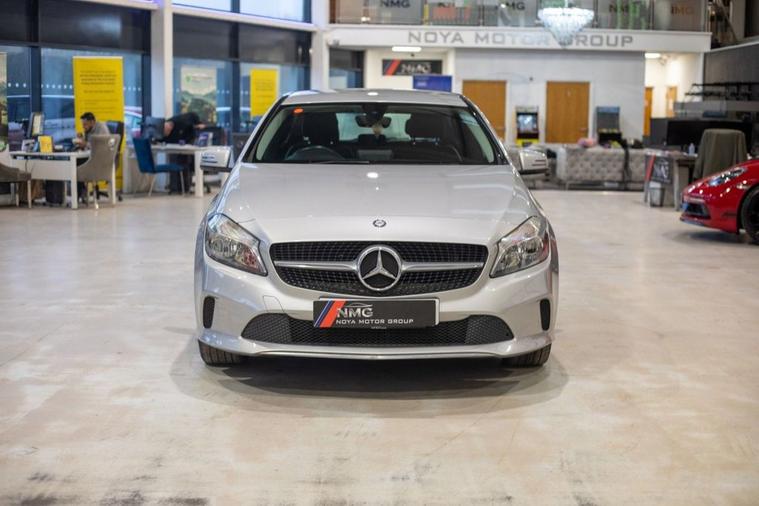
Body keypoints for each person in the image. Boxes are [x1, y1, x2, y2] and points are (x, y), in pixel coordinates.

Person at [162, 112, 207, 193]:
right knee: (174, 160)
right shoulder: (167, 124)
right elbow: (167, 138)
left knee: (184, 162)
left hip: (189, 141)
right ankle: (175, 187)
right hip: (178, 144)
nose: (167, 133)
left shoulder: (183, 121)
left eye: (167, 131)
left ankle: (185, 187)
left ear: (170, 127)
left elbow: (193, 115)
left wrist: (198, 124)